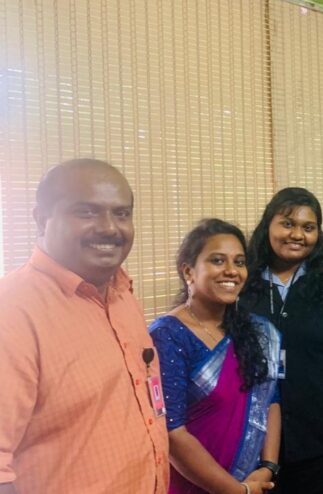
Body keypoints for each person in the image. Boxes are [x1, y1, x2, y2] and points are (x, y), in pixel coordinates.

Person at [0, 159, 169, 494]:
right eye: (86, 212)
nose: (109, 227)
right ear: (41, 219)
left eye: (121, 214)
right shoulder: (13, 312)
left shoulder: (122, 295)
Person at [239, 187, 323, 494]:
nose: (297, 234)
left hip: (322, 442)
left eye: (308, 227)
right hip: (253, 443)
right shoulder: (242, 283)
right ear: (268, 226)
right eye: (287, 223)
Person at [149, 219, 281, 494]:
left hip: (254, 481)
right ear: (189, 271)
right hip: (193, 486)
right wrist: (235, 490)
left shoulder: (256, 331)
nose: (232, 271)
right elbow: (172, 432)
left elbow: (270, 401)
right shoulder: (167, 336)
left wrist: (268, 466)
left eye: (240, 262)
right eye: (218, 261)